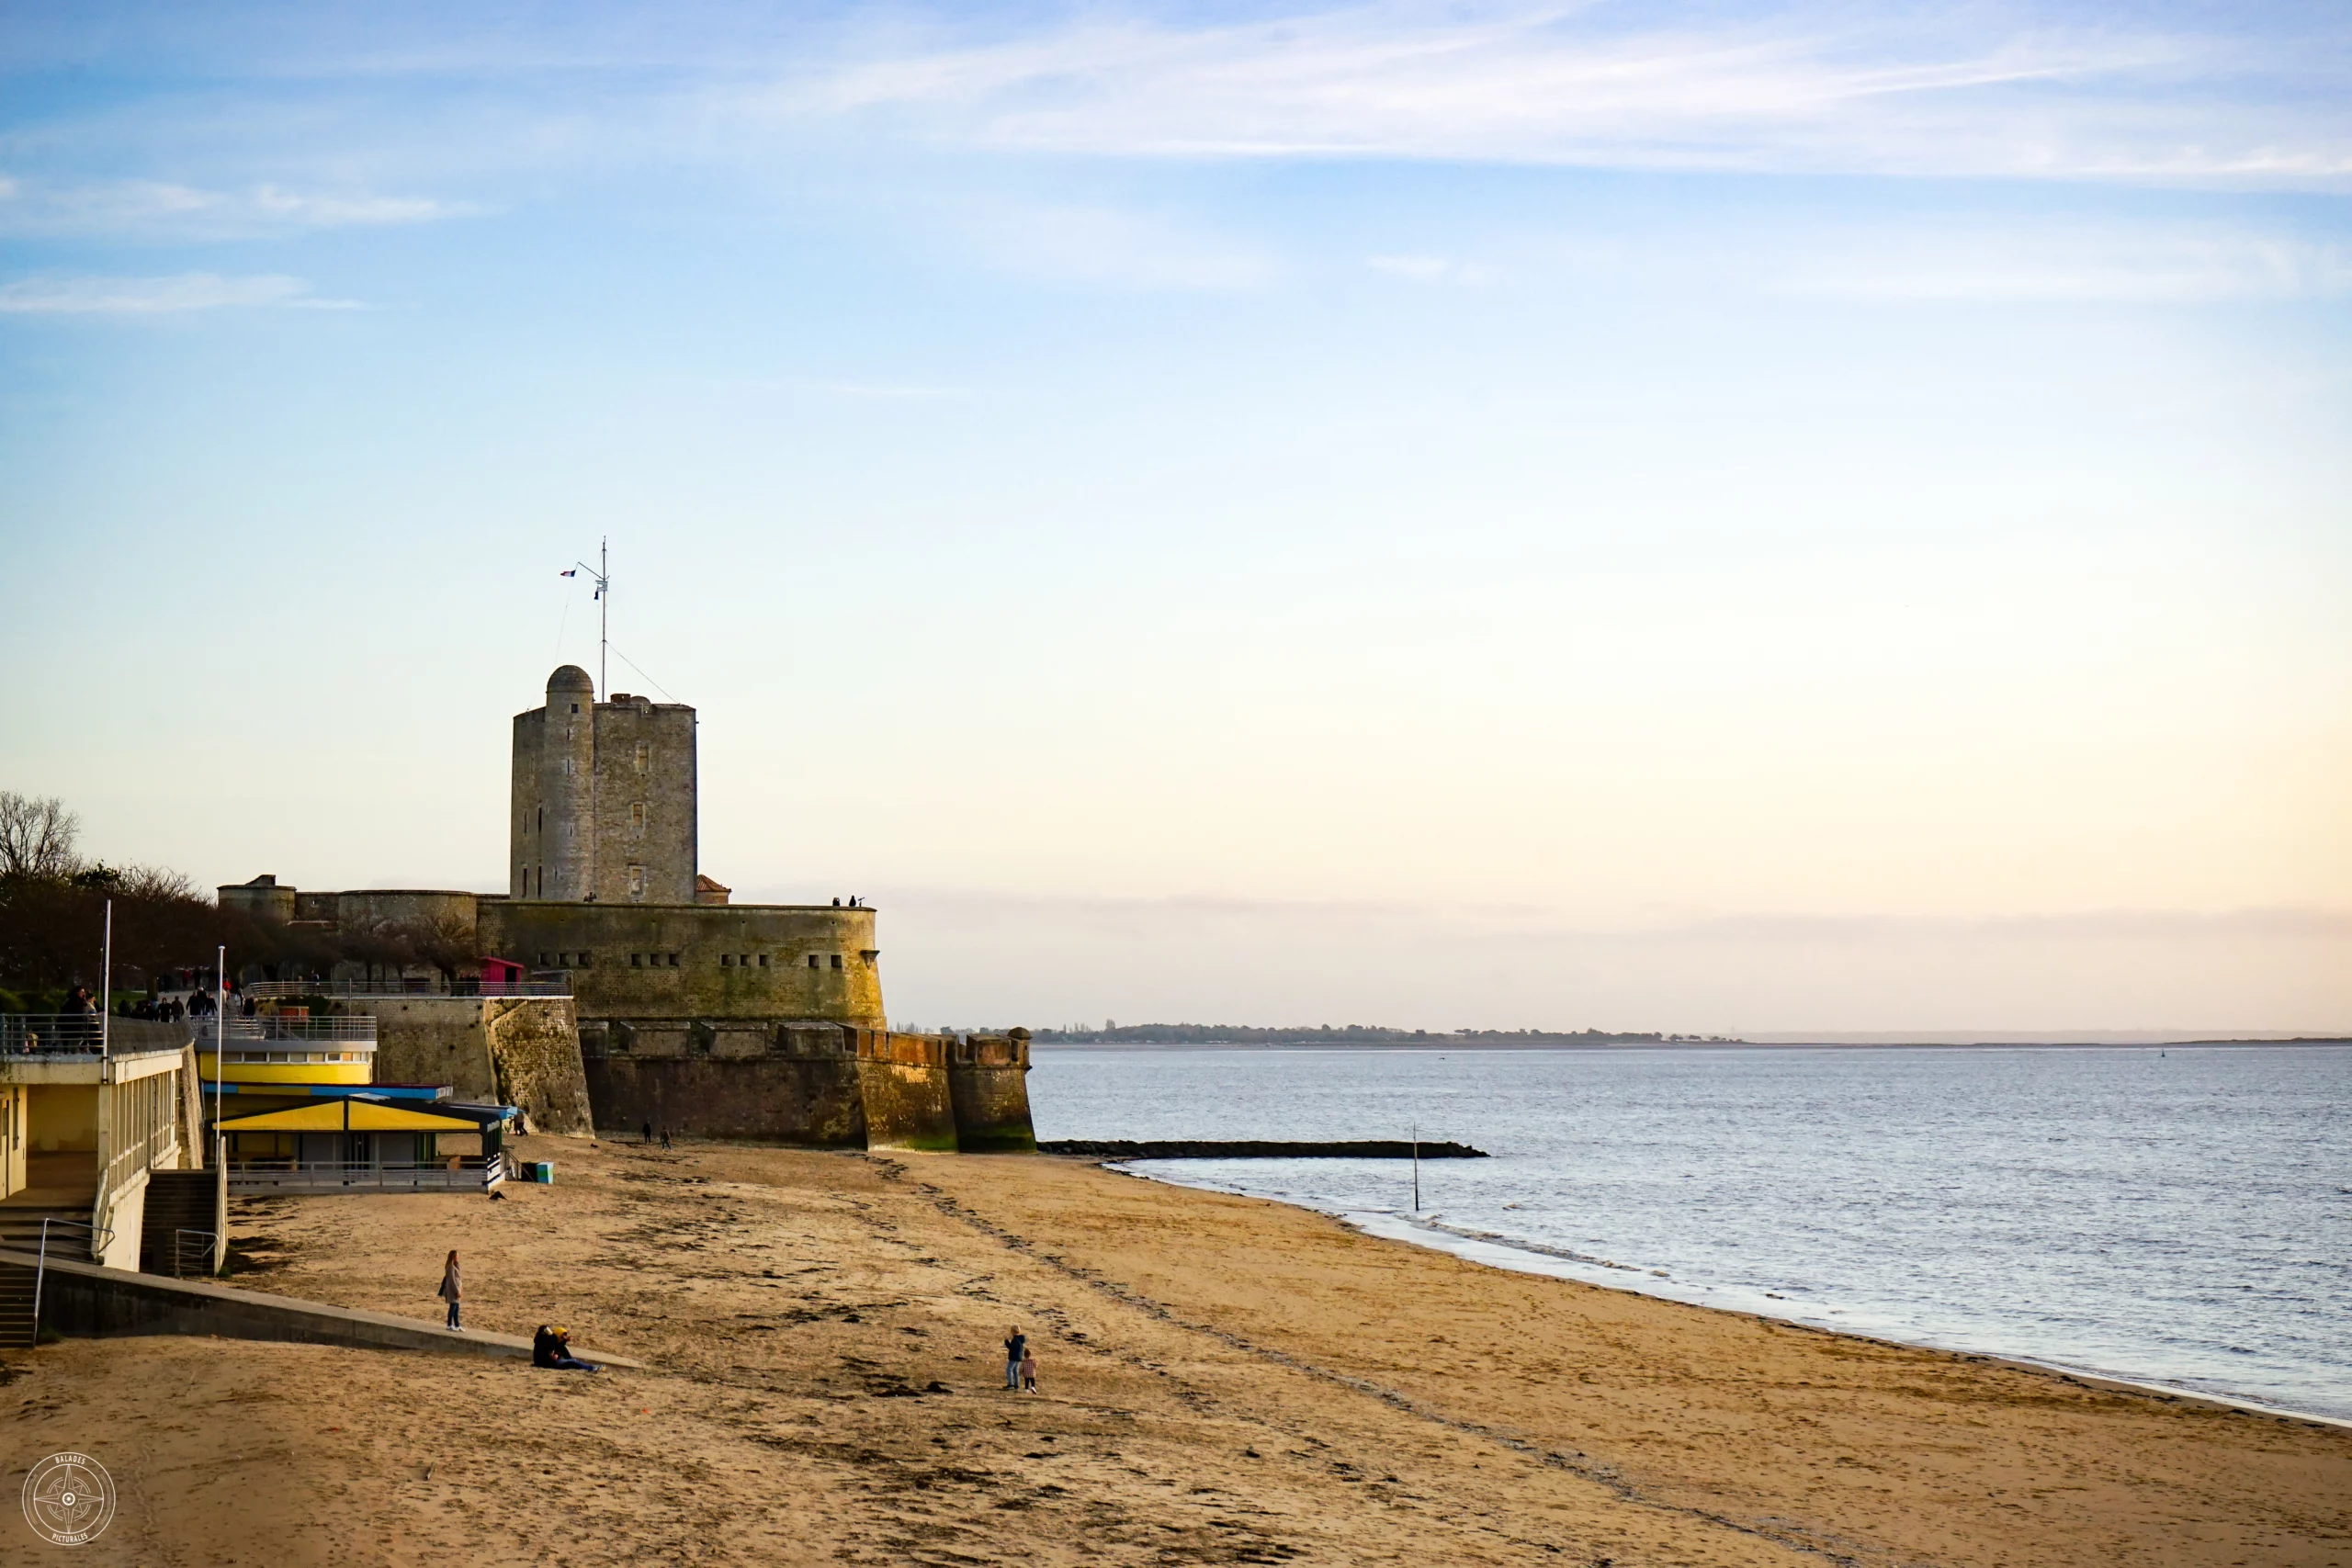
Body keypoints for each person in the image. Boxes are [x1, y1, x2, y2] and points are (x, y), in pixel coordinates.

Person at [533, 1324, 600, 1371]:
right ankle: (590, 1368)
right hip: (546, 1363)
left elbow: (557, 1345)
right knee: (572, 1362)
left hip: (549, 1362)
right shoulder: (542, 1340)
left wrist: (556, 1354)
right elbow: (554, 1343)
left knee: (573, 1360)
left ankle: (589, 1367)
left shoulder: (545, 1339)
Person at [437, 1249, 462, 1330]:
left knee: (457, 1308)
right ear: (453, 1257)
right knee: (453, 1308)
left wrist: (457, 1263)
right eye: (457, 1256)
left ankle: (457, 1325)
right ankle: (449, 1325)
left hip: (456, 1290)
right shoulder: (450, 1267)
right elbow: (452, 1280)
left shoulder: (454, 1265)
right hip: (453, 1291)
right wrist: (457, 1291)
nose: (458, 1257)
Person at [1003, 1326, 1026, 1390]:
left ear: (1013, 1331)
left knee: (1009, 1369)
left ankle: (1010, 1384)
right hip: (1018, 1357)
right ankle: (1017, 1384)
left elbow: (1011, 1347)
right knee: (1015, 1370)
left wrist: (1006, 1341)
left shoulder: (1015, 1340)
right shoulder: (1020, 1339)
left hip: (1014, 1357)